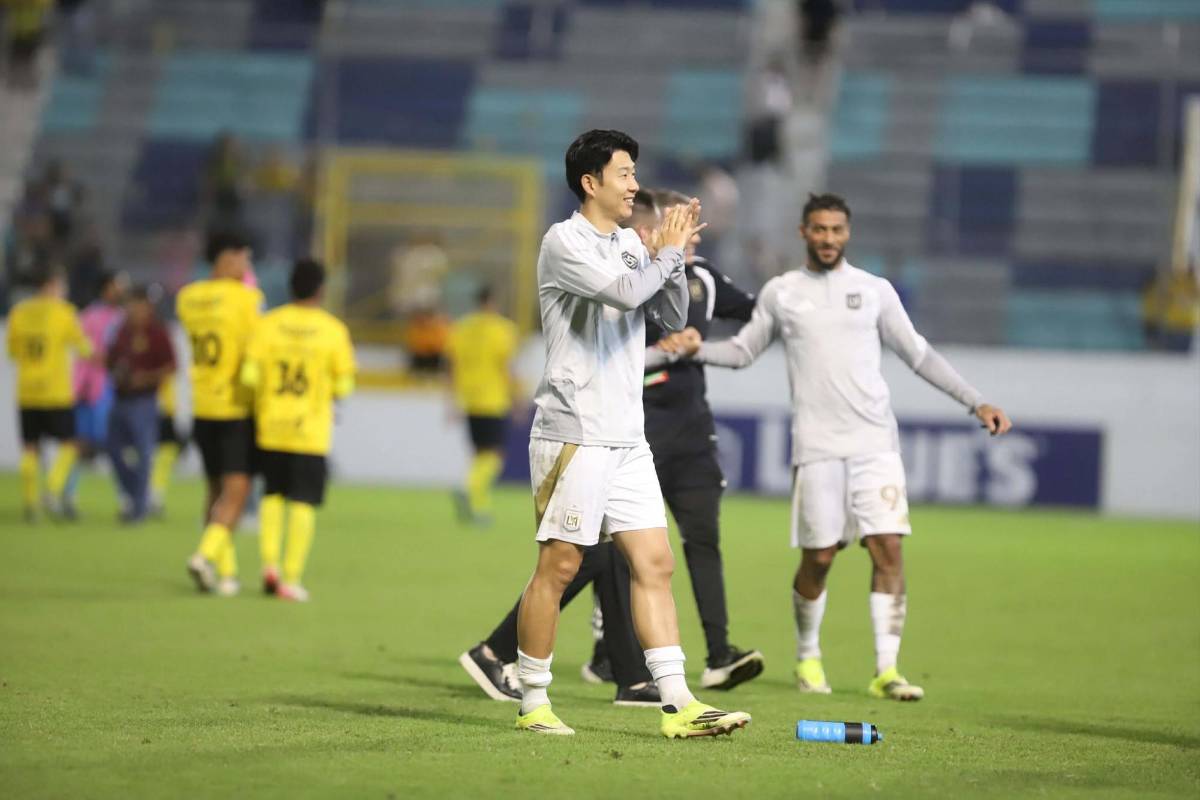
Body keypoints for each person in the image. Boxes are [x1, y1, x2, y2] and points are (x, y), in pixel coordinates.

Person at [693, 193, 1013, 700]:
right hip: (817, 447)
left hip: (875, 445)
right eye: (819, 229)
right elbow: (743, 350)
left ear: (848, 233)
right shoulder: (781, 293)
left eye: (837, 230)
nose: (828, 238)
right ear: (804, 233)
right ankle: (808, 657)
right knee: (819, 557)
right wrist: (698, 349)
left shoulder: (874, 290)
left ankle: (887, 670)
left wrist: (976, 402)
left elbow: (919, 354)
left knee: (888, 548)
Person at [511, 129, 750, 738]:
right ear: (590, 183)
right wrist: (663, 256)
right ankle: (533, 701)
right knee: (561, 565)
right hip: (575, 431)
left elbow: (666, 318)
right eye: (624, 173)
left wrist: (672, 259)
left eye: (635, 172)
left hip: (626, 434)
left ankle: (679, 705)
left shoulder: (626, 242)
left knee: (655, 561)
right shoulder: (563, 241)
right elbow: (621, 295)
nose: (634, 184)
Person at [241, 258, 356, 602]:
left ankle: (269, 566)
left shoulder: (268, 324)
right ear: (321, 289)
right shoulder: (332, 330)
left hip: (271, 424)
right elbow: (345, 385)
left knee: (272, 495)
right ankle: (291, 578)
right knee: (303, 502)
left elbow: (249, 377)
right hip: (310, 430)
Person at [178, 232, 263, 597]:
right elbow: (253, 352)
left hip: (202, 405)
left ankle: (226, 573)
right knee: (238, 489)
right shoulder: (246, 299)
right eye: (244, 258)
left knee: (214, 489)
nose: (247, 267)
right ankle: (203, 555)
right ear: (227, 258)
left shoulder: (188, 298)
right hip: (234, 405)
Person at [7, 267, 91, 521]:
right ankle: (52, 488)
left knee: (30, 447)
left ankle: (31, 504)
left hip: (27, 391)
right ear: (52, 284)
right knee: (71, 443)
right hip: (55, 391)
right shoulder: (64, 312)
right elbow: (84, 347)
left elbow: (12, 352)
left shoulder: (18, 313)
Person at [445, 286, 519, 525]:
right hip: (493, 399)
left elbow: (452, 367)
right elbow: (506, 367)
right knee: (494, 455)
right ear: (494, 302)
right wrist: (516, 398)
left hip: (469, 399)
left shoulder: (461, 328)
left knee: (479, 454)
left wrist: (452, 400)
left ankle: (479, 508)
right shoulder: (503, 329)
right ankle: (469, 489)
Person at [105, 286, 177, 523]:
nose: (133, 310)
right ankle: (136, 493)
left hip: (144, 400)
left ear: (148, 307)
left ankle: (139, 506)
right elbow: (109, 359)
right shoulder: (121, 332)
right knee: (114, 450)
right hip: (120, 399)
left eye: (138, 305)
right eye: (130, 305)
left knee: (144, 454)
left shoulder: (157, 333)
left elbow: (171, 366)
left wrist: (145, 378)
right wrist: (116, 372)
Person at [69, 271, 125, 507]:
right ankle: (67, 494)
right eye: (117, 285)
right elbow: (86, 354)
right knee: (80, 444)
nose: (122, 289)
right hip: (91, 388)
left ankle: (127, 495)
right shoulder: (90, 316)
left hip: (109, 388)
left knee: (114, 444)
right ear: (106, 288)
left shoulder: (123, 317)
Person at [148, 372, 186, 517]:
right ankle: (150, 495)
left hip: (167, 412)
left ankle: (155, 495)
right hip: (155, 410)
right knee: (153, 456)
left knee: (165, 455)